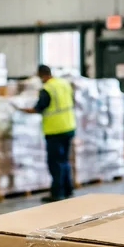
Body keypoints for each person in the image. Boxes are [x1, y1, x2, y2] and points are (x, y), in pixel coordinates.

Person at [23, 65, 76, 202]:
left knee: (55, 162)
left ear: (42, 74)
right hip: (69, 126)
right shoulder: (64, 83)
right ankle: (68, 190)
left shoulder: (47, 89)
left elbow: (39, 107)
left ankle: (57, 193)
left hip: (55, 130)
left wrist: (23, 110)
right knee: (64, 160)